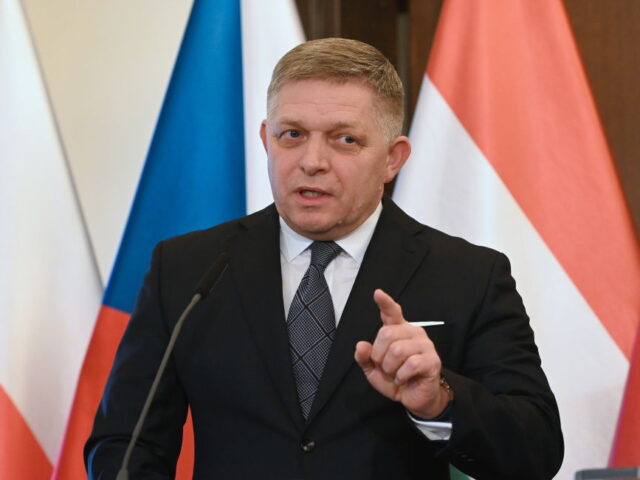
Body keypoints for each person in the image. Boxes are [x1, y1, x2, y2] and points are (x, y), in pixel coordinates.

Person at [85, 38, 563, 479]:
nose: (312, 160)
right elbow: (125, 444)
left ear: (393, 158)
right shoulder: (188, 268)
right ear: (265, 139)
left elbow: (535, 452)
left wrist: (437, 401)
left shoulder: (467, 275)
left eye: (344, 139)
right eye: (292, 134)